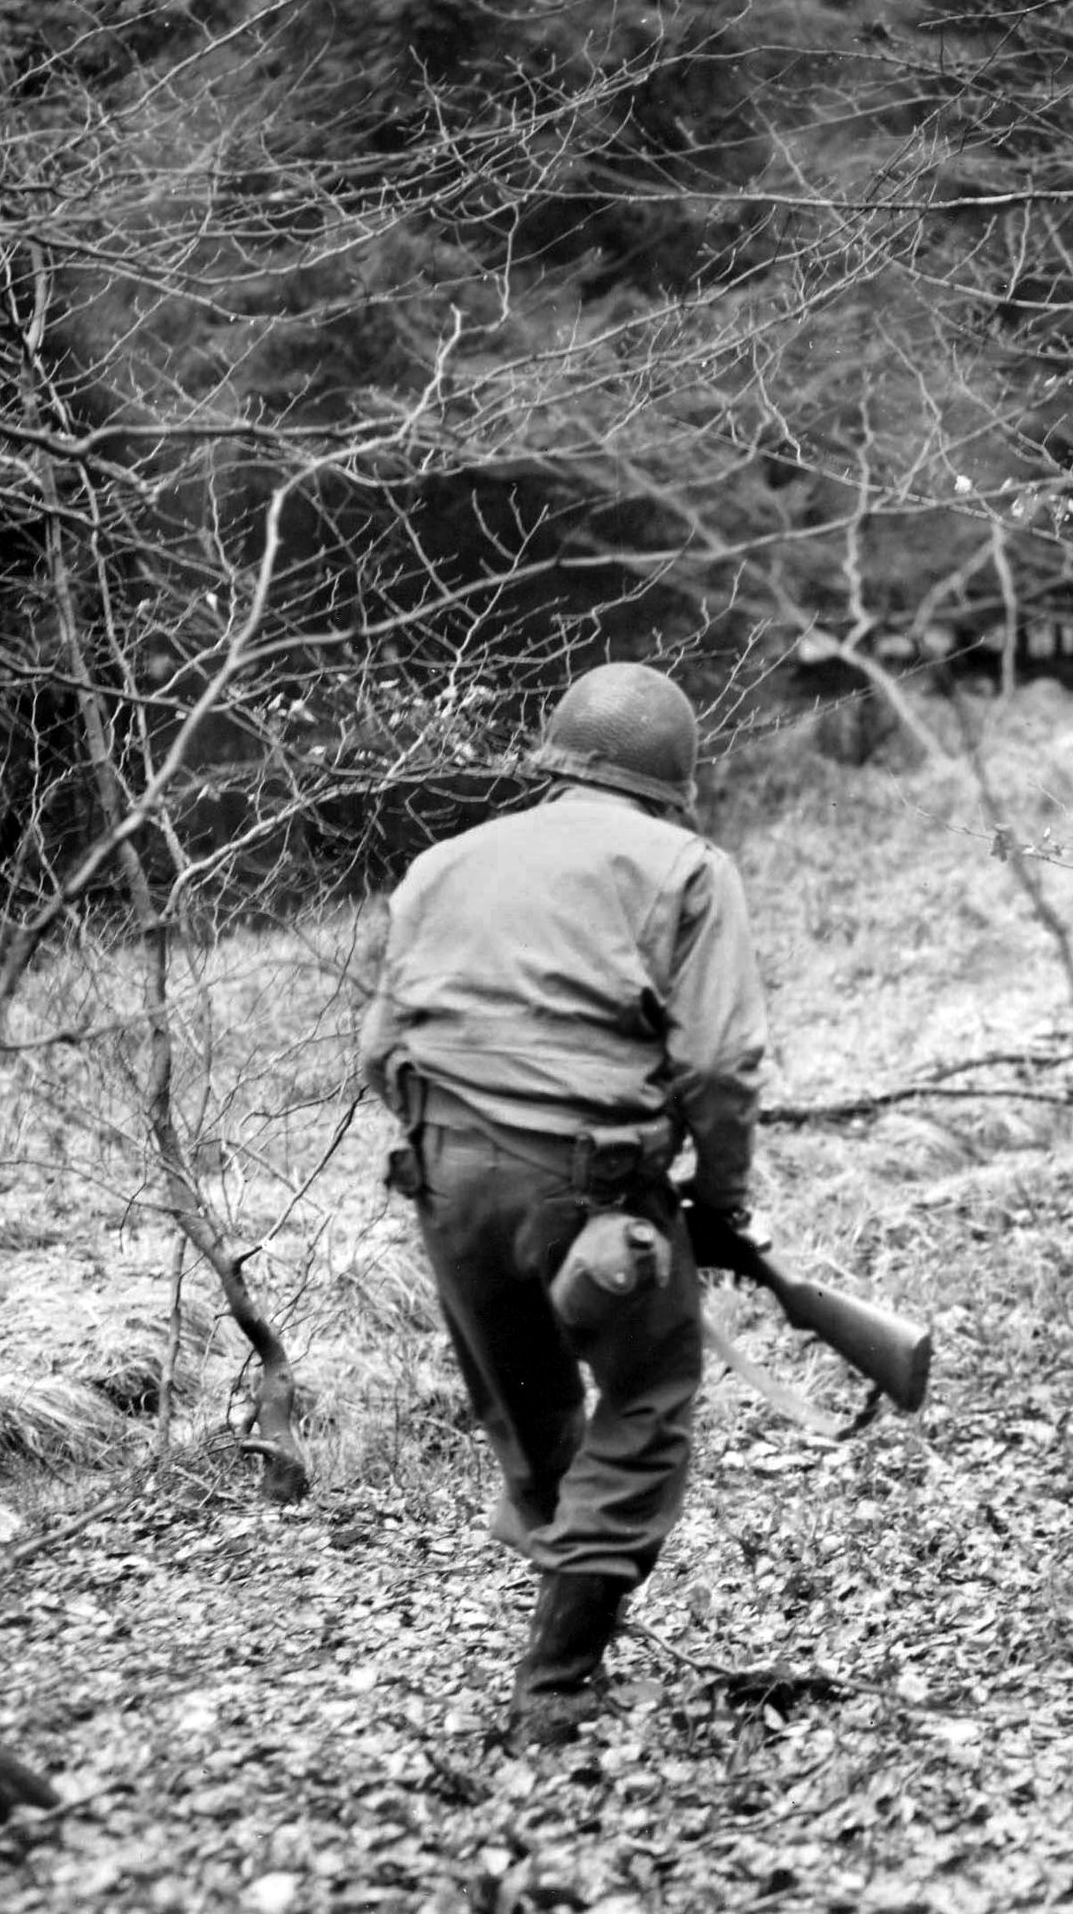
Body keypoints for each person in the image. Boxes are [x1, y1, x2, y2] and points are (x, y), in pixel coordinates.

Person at [359, 662, 769, 1746]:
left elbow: (380, 1046)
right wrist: (718, 1203)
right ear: (670, 777)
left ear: (556, 756)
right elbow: (721, 1065)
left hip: (444, 1182)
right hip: (594, 1191)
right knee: (643, 1404)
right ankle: (560, 1675)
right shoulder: (687, 865)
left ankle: (568, 1599)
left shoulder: (441, 863)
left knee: (533, 1416)